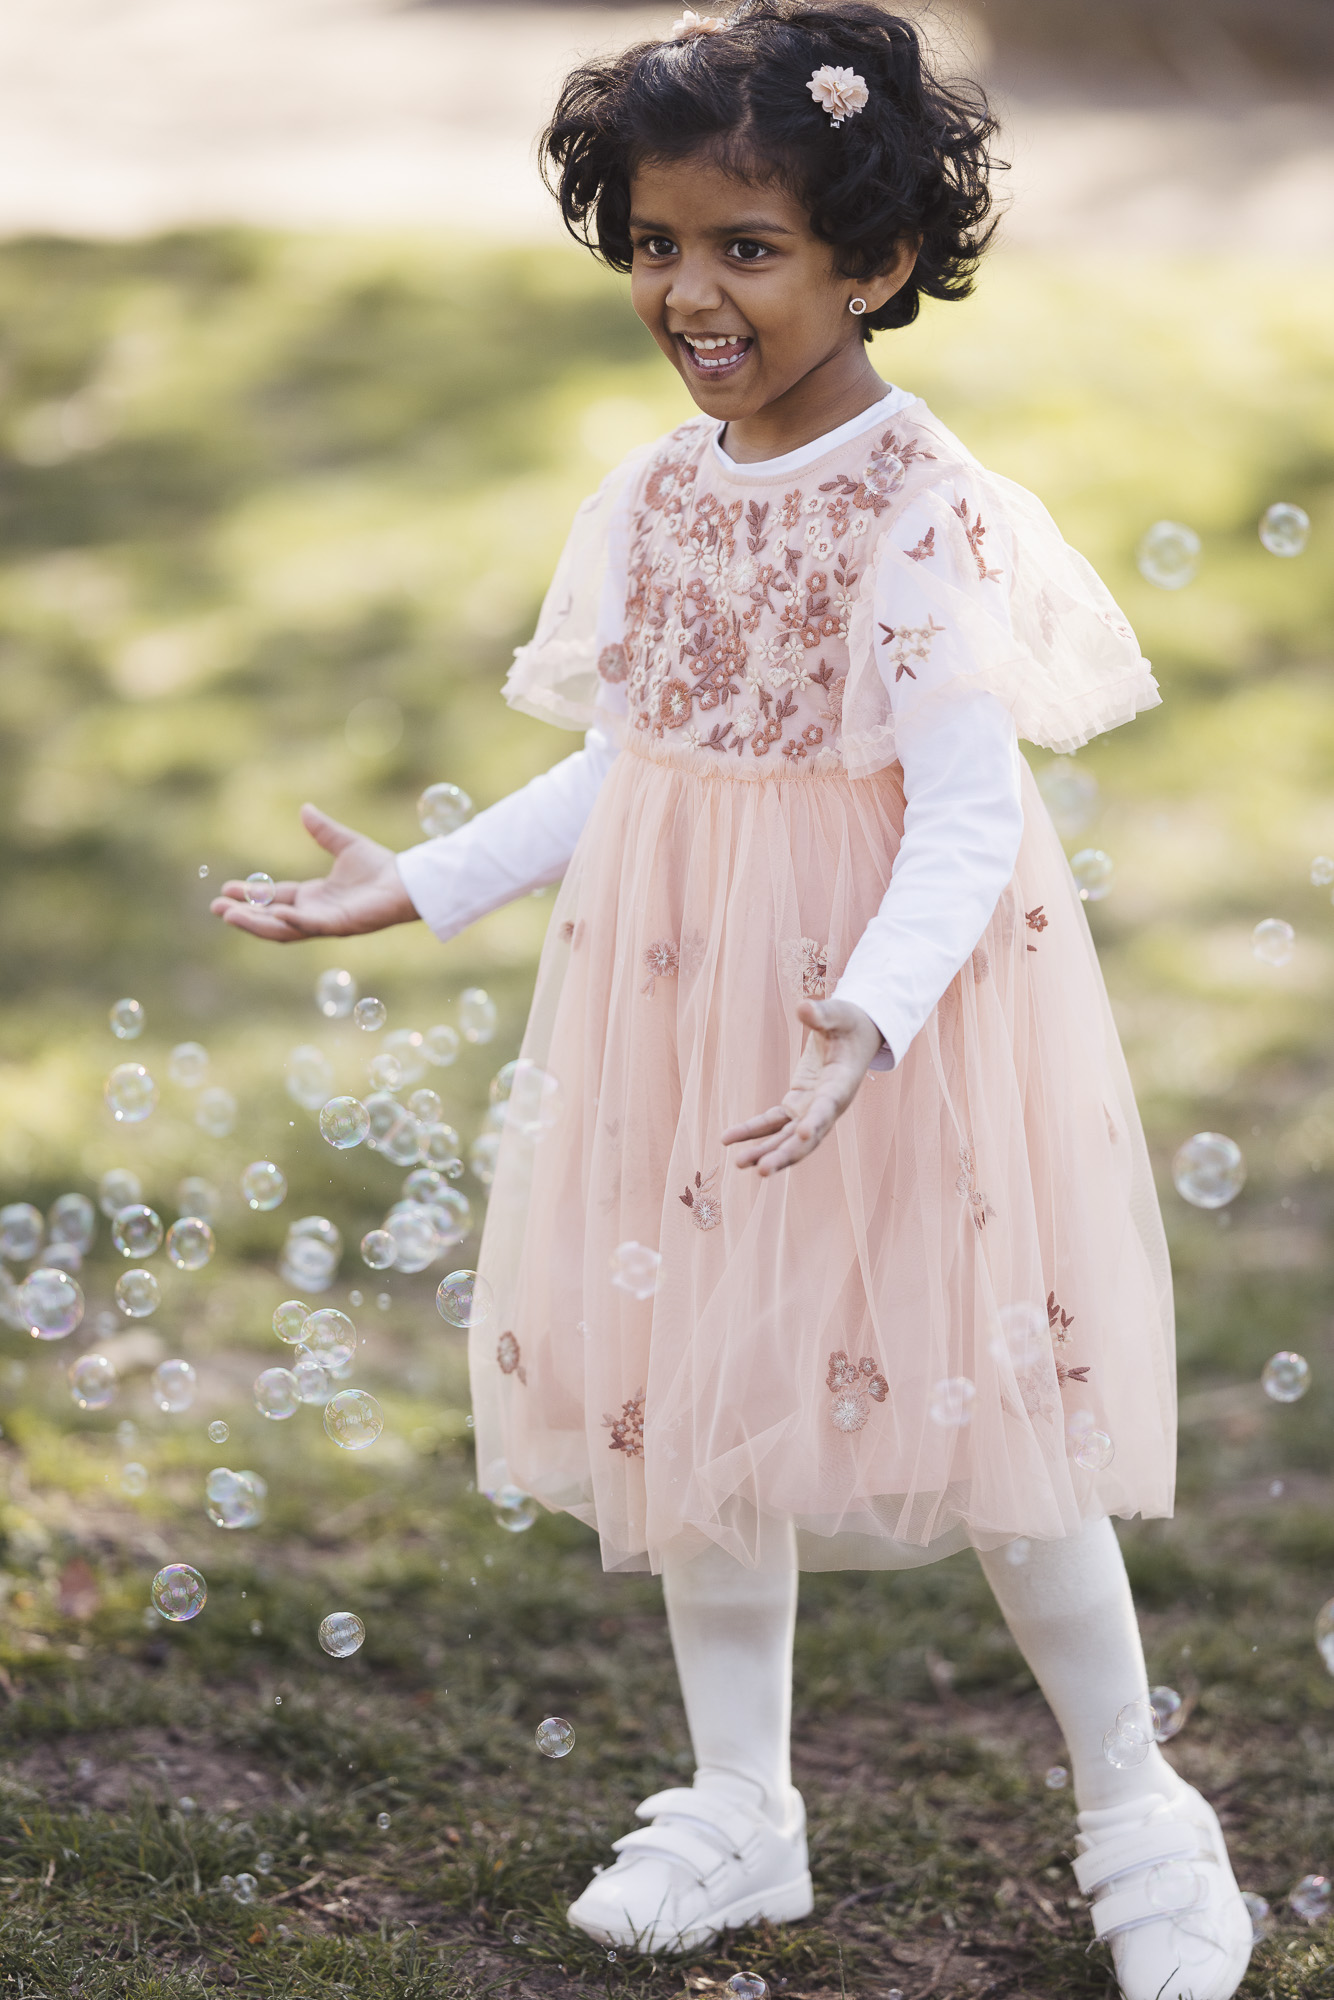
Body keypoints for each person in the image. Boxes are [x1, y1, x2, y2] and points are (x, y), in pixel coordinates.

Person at [211, 5, 1253, 1994]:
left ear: (873, 262)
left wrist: (867, 1016)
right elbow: (640, 758)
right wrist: (417, 884)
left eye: (747, 249)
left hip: (898, 1027)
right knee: (705, 1398)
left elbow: (964, 812)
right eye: (655, 241)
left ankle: (1137, 1804)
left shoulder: (915, 505)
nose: (689, 289)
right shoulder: (666, 494)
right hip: (686, 1010)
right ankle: (741, 1803)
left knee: (992, 1413)